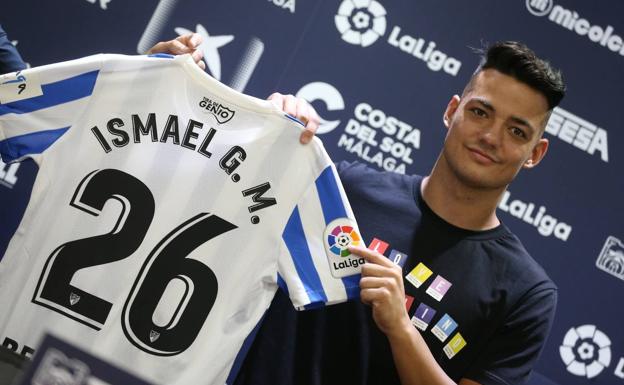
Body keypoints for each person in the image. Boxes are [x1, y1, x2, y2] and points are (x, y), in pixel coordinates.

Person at [230, 41, 564, 385]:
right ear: (452, 111)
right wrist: (272, 128)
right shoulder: (344, 189)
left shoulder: (525, 292)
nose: (491, 137)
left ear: (535, 153)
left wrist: (401, 328)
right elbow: (223, 209)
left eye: (516, 131)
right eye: (480, 112)